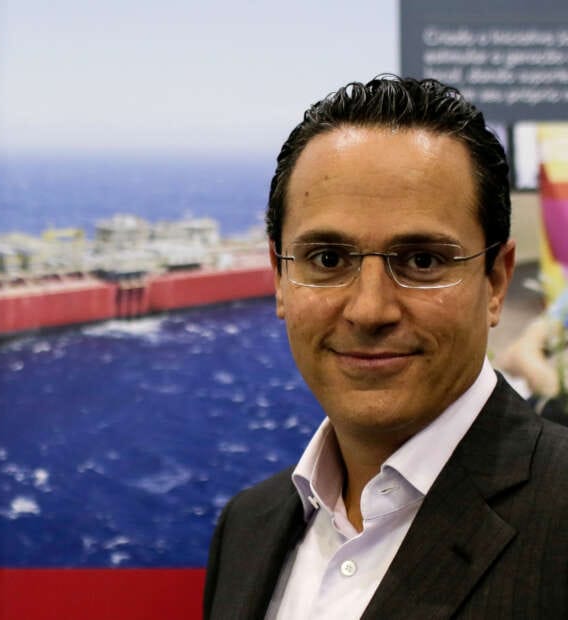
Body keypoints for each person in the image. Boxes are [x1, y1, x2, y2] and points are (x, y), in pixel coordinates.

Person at [204, 75, 568, 619]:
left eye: (422, 261)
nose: (369, 310)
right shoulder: (247, 527)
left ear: (496, 280)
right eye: (327, 259)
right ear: (280, 278)